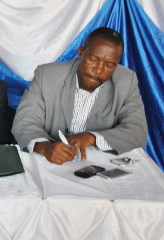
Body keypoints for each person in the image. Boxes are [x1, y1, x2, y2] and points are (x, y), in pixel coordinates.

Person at [12, 27, 148, 164]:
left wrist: (92, 137)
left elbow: (138, 131)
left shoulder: (126, 81)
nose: (98, 70)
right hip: (48, 161)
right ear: (81, 52)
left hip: (98, 165)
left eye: (109, 65)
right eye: (93, 59)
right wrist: (44, 147)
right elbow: (24, 121)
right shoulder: (46, 75)